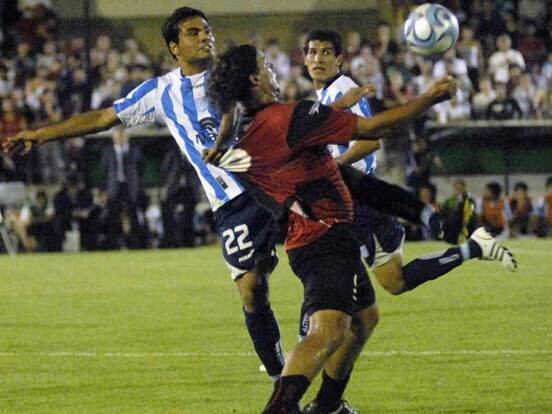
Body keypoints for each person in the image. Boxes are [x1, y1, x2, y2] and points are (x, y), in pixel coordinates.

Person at [207, 43, 515, 414]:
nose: (274, 70)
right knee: (329, 331)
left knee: (364, 318)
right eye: (266, 65)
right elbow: (373, 128)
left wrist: (331, 110)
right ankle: (280, 409)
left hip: (312, 239)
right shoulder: (291, 118)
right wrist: (430, 98)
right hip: (326, 239)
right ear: (255, 79)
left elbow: (281, 144)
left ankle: (328, 405)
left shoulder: (252, 134)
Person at [1, 7, 289, 383]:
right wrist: (38, 135)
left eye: (207, 30)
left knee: (316, 260)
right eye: (193, 32)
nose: (205, 36)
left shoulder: (236, 75)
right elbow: (103, 118)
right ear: (174, 47)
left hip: (276, 183)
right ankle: (281, 376)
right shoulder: (161, 92)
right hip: (230, 204)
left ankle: (319, 338)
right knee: (252, 291)